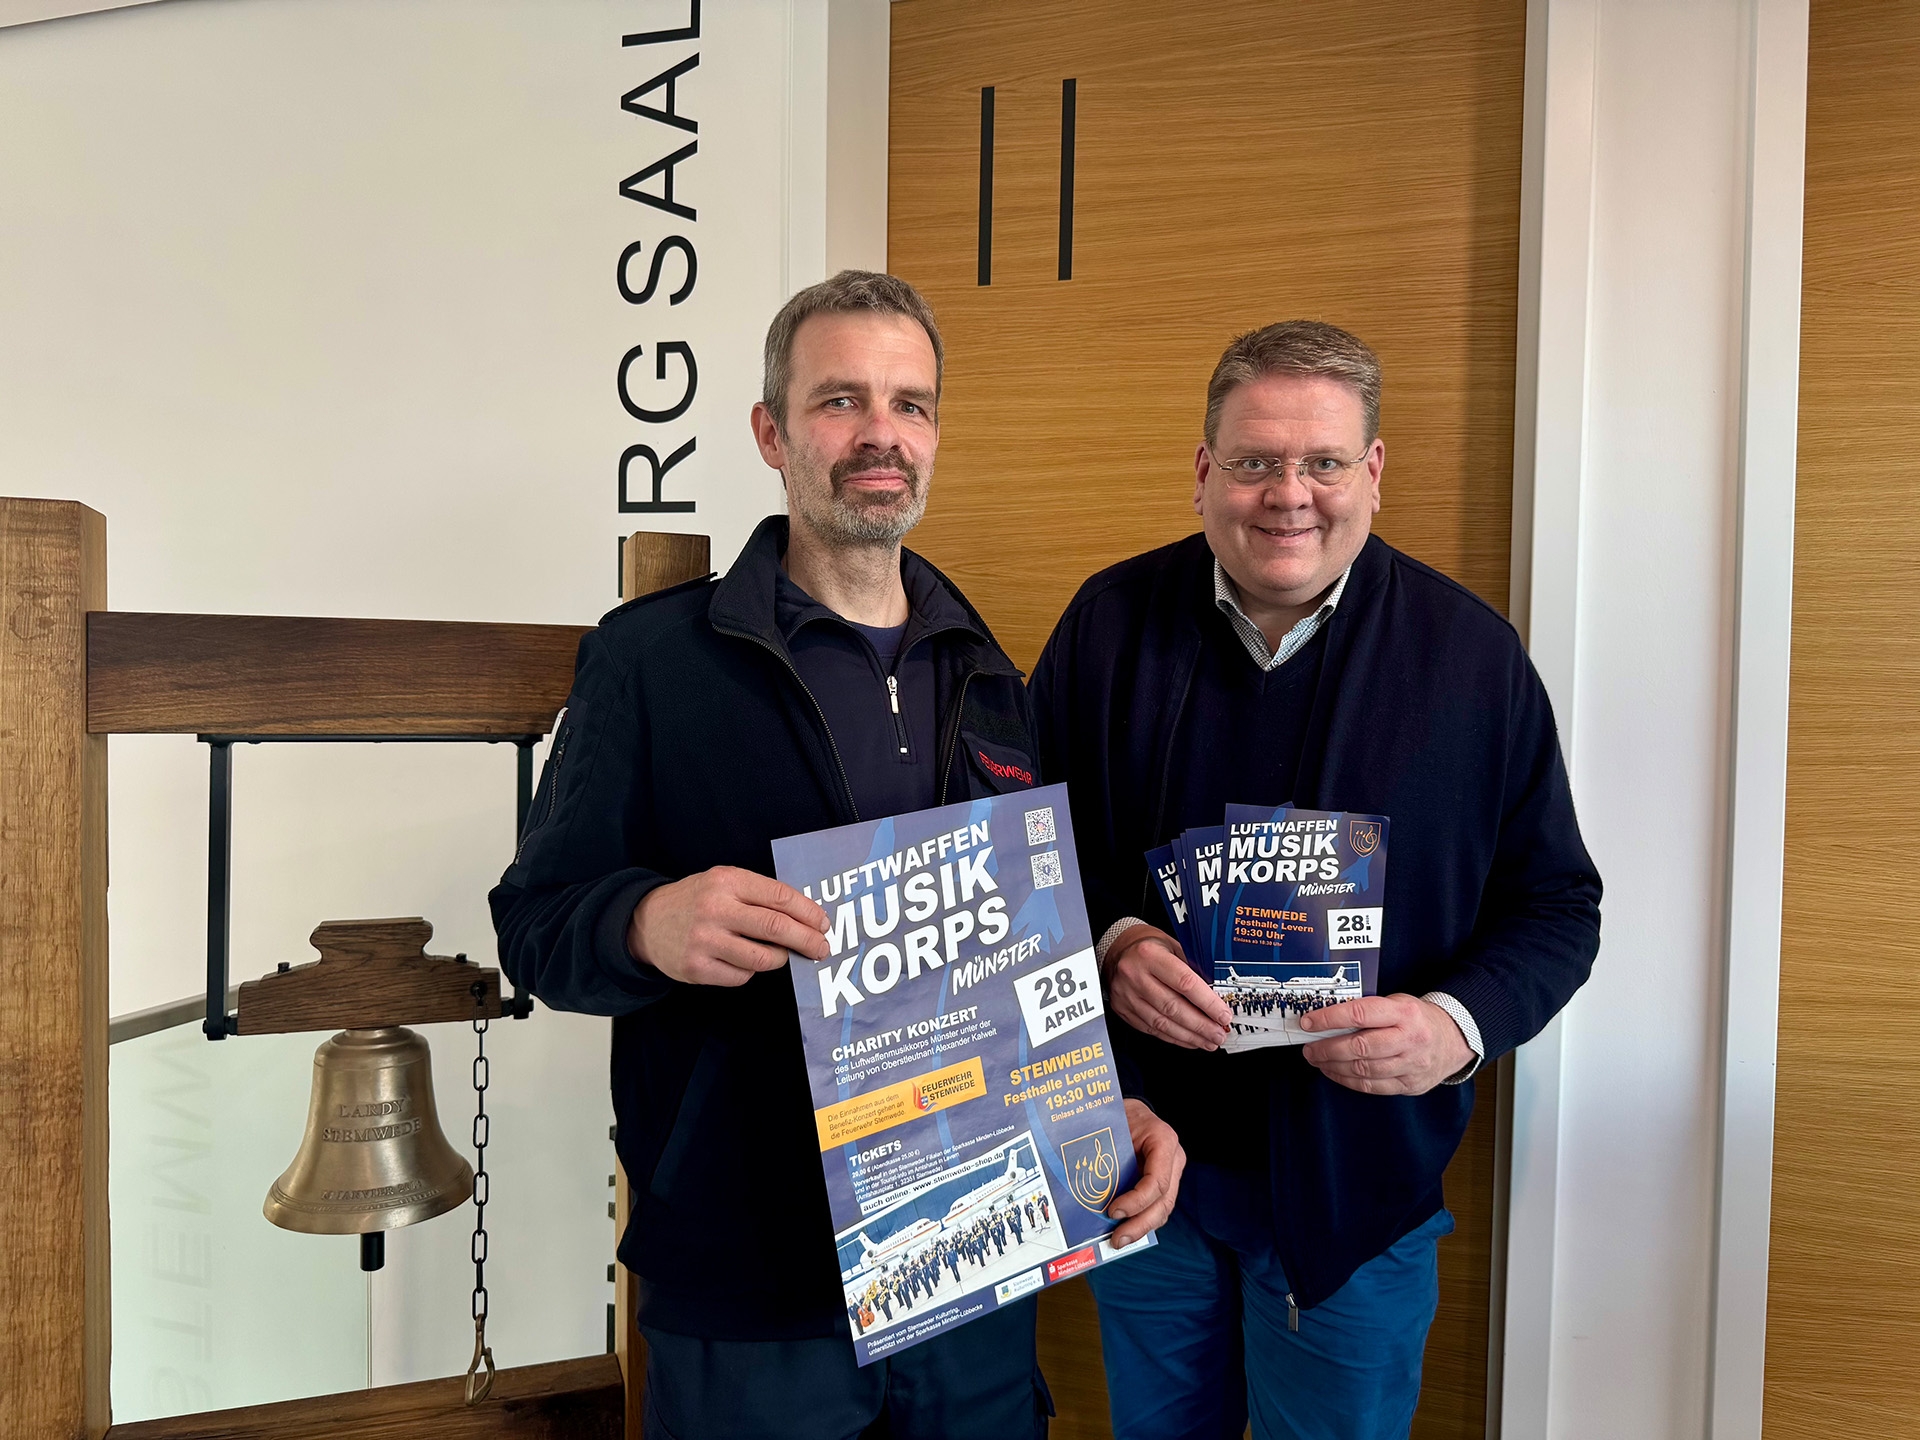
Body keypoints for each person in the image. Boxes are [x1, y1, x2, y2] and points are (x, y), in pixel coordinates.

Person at [491, 269, 1184, 1440]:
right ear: (771, 431)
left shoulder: (994, 677)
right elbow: (536, 925)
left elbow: (1025, 958)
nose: (881, 434)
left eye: (910, 405)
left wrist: (1099, 1103)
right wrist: (649, 923)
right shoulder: (650, 661)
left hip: (979, 1252)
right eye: (841, 400)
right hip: (749, 1272)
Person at [1030, 321, 1602, 1440]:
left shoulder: (1471, 659)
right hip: (1140, 1170)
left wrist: (1454, 1027)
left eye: (1325, 462)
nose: (1289, 495)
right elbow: (1018, 862)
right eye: (1253, 461)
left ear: (1373, 474)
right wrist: (1112, 945)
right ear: (1203, 473)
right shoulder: (1107, 628)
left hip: (1358, 1200)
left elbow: (1557, 906)